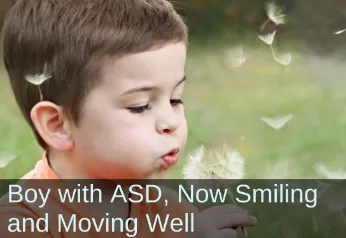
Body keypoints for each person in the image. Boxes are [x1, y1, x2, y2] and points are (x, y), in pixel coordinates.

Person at [0, 0, 257, 237]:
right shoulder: (22, 221)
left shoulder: (172, 213)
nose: (171, 122)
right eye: (140, 106)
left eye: (175, 99)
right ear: (58, 125)